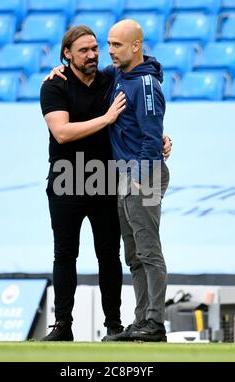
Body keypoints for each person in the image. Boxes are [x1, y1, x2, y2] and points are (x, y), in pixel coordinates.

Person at [40, 25, 172, 341]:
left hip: (115, 178)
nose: (96, 54)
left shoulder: (111, 77)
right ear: (66, 55)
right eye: (84, 50)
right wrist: (108, 119)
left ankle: (124, 324)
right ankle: (65, 325)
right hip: (68, 178)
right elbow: (62, 132)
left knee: (119, 254)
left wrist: (156, 144)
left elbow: (145, 72)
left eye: (97, 48)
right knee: (69, 254)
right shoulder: (55, 85)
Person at [102, 19, 170, 342]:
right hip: (125, 176)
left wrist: (141, 180)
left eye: (116, 45)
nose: (110, 51)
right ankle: (142, 319)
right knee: (133, 254)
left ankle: (154, 323)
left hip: (142, 176)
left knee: (148, 250)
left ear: (136, 46)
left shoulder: (145, 86)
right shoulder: (120, 73)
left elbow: (151, 137)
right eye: (109, 44)